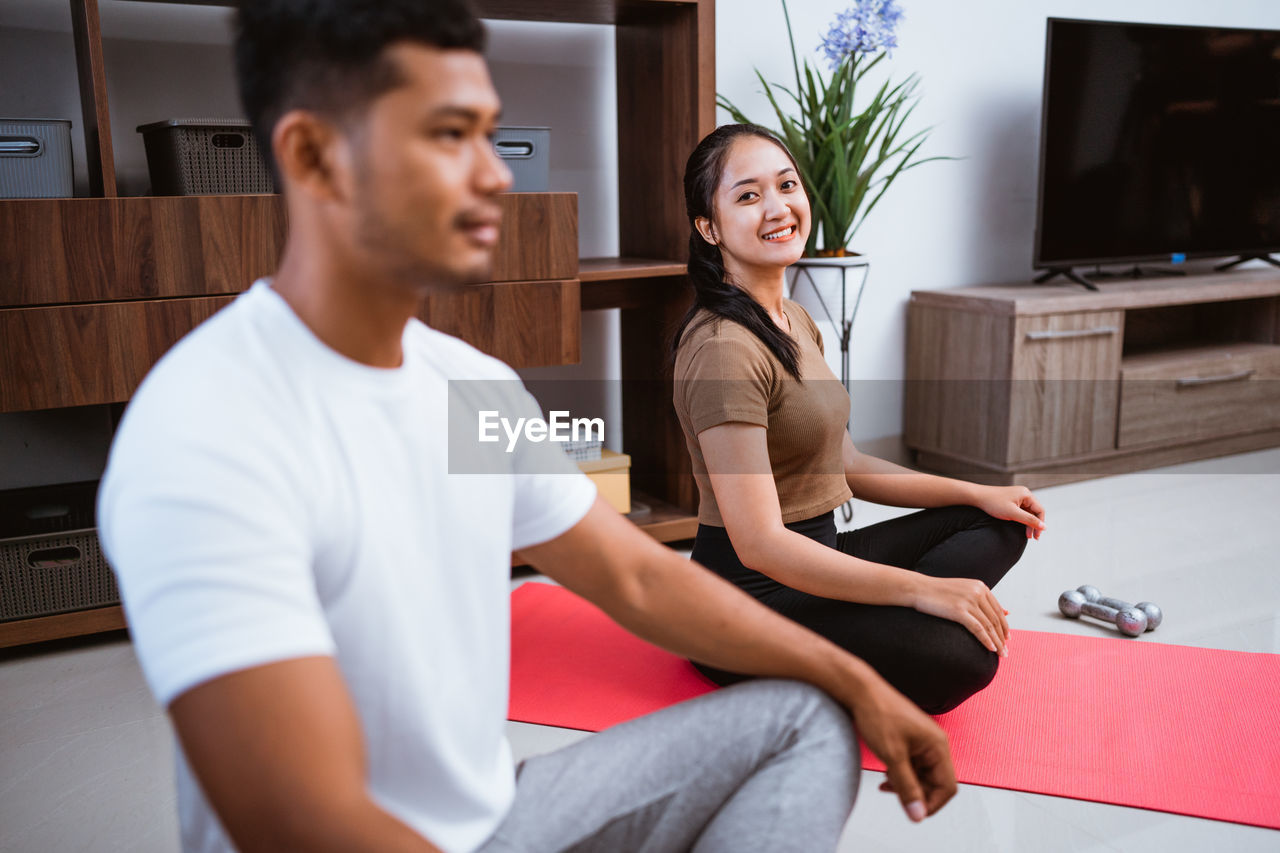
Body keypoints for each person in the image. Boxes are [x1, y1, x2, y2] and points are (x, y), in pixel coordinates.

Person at [97, 4, 960, 852]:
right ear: (315, 157)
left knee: (805, 717)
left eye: (489, 133)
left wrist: (855, 681)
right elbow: (299, 821)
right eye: (449, 136)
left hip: (496, 820)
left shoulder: (468, 389)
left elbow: (638, 578)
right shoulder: (208, 430)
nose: (497, 173)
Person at [672, 124, 1046, 715]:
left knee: (997, 521)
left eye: (786, 185)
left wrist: (981, 492)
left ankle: (878, 618)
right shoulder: (724, 349)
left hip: (822, 558)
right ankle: (885, 622)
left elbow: (848, 464)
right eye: (748, 196)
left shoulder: (793, 317)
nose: (777, 207)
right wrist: (924, 591)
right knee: (964, 663)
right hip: (749, 606)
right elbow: (762, 545)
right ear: (709, 227)